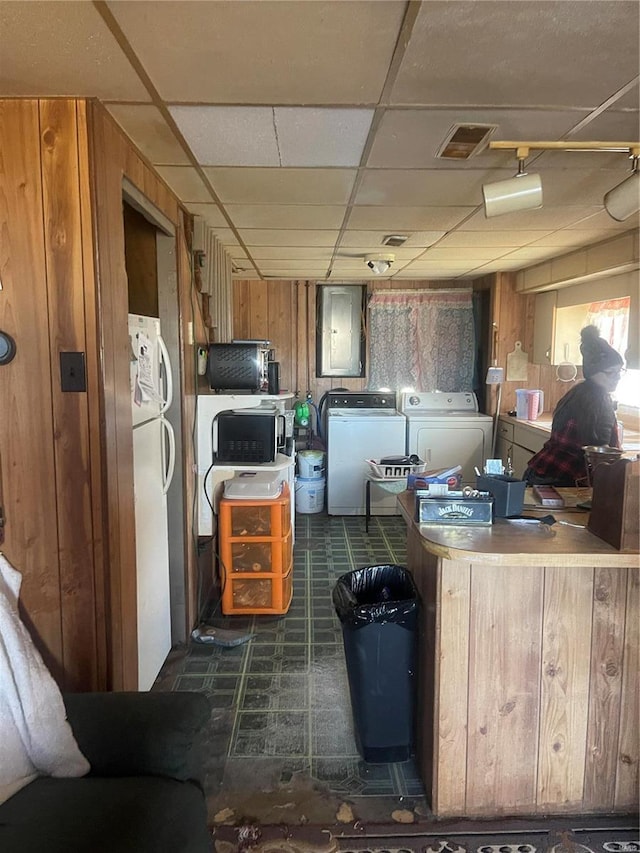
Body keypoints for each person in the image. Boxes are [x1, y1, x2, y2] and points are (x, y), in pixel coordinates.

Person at [524, 325, 624, 487]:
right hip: (563, 479)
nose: (617, 378)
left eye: (620, 372)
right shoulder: (599, 401)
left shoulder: (577, 392)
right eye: (611, 372)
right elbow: (601, 454)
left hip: (539, 471)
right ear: (593, 371)